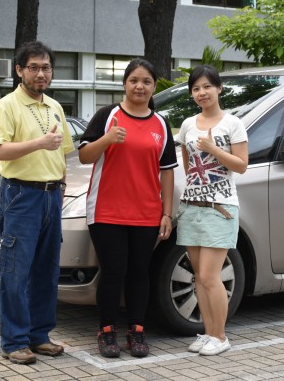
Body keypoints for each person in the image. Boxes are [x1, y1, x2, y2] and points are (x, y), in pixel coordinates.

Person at [78, 58, 177, 358]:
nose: (140, 86)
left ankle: (137, 331)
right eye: (134, 80)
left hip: (146, 213)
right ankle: (106, 331)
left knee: (139, 273)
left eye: (146, 81)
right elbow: (84, 156)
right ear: (124, 83)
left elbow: (168, 170)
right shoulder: (107, 116)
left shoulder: (161, 124)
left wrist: (167, 214)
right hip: (107, 211)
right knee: (113, 272)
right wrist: (107, 139)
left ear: (154, 86)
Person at [0, 41, 75, 365]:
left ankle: (40, 336)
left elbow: (62, 152)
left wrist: (62, 185)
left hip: (52, 196)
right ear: (19, 70)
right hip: (21, 195)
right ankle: (14, 341)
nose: (41, 73)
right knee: (16, 272)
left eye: (46, 67)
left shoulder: (55, 106)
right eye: (34, 67)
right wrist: (39, 143)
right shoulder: (7, 106)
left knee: (46, 271)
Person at [176, 65, 248, 356]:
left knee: (209, 276)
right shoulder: (187, 125)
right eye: (195, 88)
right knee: (198, 276)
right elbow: (188, 165)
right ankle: (207, 333)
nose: (201, 92)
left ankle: (220, 336)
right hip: (192, 205)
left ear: (219, 88)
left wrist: (212, 148)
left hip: (221, 207)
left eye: (207, 86)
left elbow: (241, 165)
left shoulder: (233, 123)